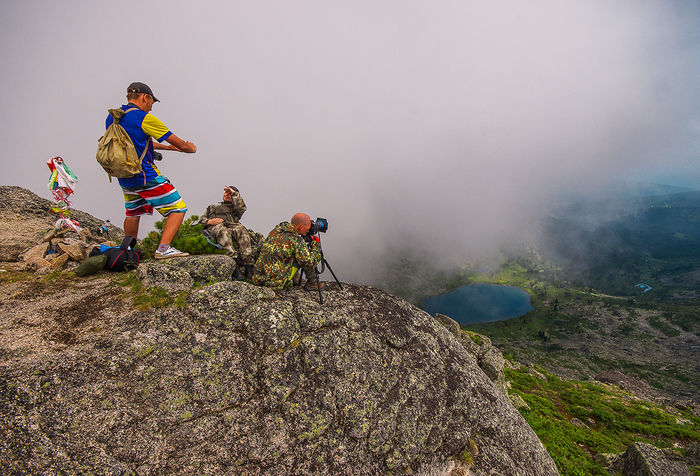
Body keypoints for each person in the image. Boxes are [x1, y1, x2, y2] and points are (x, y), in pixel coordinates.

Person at [106, 82, 197, 259]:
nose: (151, 108)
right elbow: (181, 144)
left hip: (124, 174)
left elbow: (134, 142)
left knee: (134, 211)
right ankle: (163, 249)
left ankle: (127, 251)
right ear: (144, 97)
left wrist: (168, 149)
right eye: (151, 102)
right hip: (144, 174)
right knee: (178, 207)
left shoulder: (113, 117)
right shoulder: (144, 118)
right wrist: (190, 148)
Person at [252, 213, 323, 290]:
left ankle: (296, 278)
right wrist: (316, 247)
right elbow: (309, 263)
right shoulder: (297, 240)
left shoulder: (276, 231)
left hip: (258, 279)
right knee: (303, 257)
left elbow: (287, 242)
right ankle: (312, 283)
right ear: (301, 227)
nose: (309, 229)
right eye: (308, 227)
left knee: (294, 253)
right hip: (273, 284)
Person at [198, 186, 255, 279]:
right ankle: (235, 267)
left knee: (242, 230)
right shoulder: (212, 207)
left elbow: (242, 208)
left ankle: (249, 267)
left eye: (230, 193)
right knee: (223, 231)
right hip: (216, 226)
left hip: (232, 225)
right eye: (226, 193)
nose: (227, 195)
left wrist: (235, 194)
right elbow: (201, 220)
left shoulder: (235, 209)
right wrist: (209, 221)